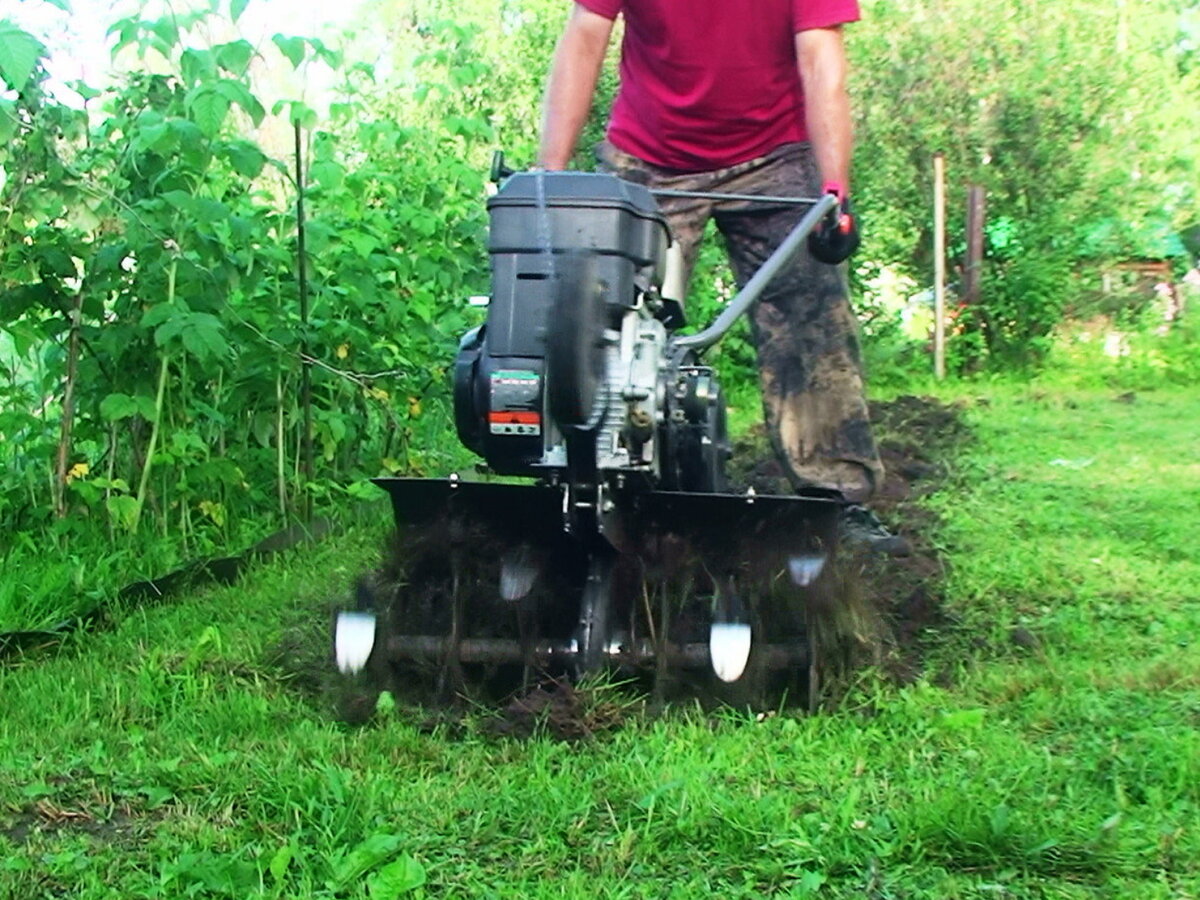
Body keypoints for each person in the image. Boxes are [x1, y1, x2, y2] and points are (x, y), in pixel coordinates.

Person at [537, 0, 907, 554]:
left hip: (776, 156)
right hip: (649, 156)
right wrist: (550, 179)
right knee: (604, 319)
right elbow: (586, 35)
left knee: (810, 320)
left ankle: (834, 501)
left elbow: (820, 59)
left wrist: (834, 190)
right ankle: (590, 480)